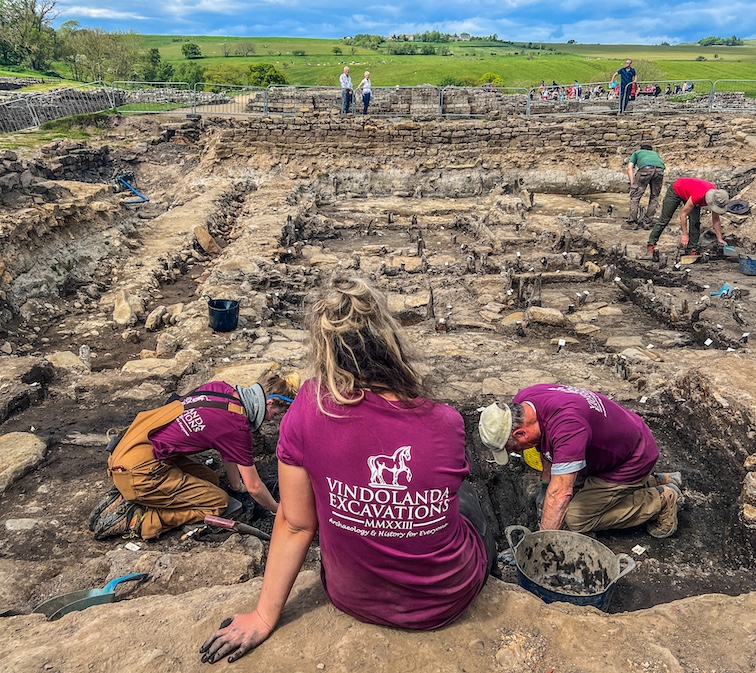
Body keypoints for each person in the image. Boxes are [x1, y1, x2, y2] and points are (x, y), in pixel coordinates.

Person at [200, 275, 496, 664]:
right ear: (389, 339)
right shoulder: (446, 420)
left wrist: (262, 616)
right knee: (469, 497)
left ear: (324, 349)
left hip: (350, 598)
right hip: (445, 603)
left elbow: (296, 523)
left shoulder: (308, 408)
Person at [88, 371, 300, 540]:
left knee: (211, 480)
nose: (272, 420)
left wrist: (236, 486)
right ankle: (139, 518)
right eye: (276, 414)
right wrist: (278, 509)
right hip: (141, 471)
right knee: (216, 502)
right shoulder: (237, 427)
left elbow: (228, 450)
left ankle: (135, 493)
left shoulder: (219, 389)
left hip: (133, 447)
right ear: (270, 403)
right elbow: (254, 487)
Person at [478, 384, 684, 538]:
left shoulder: (567, 427)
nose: (516, 451)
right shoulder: (525, 402)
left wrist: (542, 544)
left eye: (512, 447)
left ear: (520, 433)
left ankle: (661, 499)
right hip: (615, 441)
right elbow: (545, 447)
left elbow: (560, 494)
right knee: (562, 495)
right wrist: (544, 486)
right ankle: (654, 480)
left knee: (576, 517)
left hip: (631, 459)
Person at [646, 178, 729, 256]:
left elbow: (716, 219)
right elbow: (683, 214)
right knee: (665, 219)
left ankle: (692, 249)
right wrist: (685, 234)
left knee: (695, 222)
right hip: (677, 189)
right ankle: (651, 244)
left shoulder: (718, 198)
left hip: (691, 193)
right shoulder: (699, 194)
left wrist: (720, 238)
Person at [624, 144, 665, 229]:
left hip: (645, 170)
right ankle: (647, 221)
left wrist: (632, 184)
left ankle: (631, 222)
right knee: (655, 196)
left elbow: (629, 168)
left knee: (635, 196)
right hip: (659, 170)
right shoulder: (655, 154)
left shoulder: (637, 153)